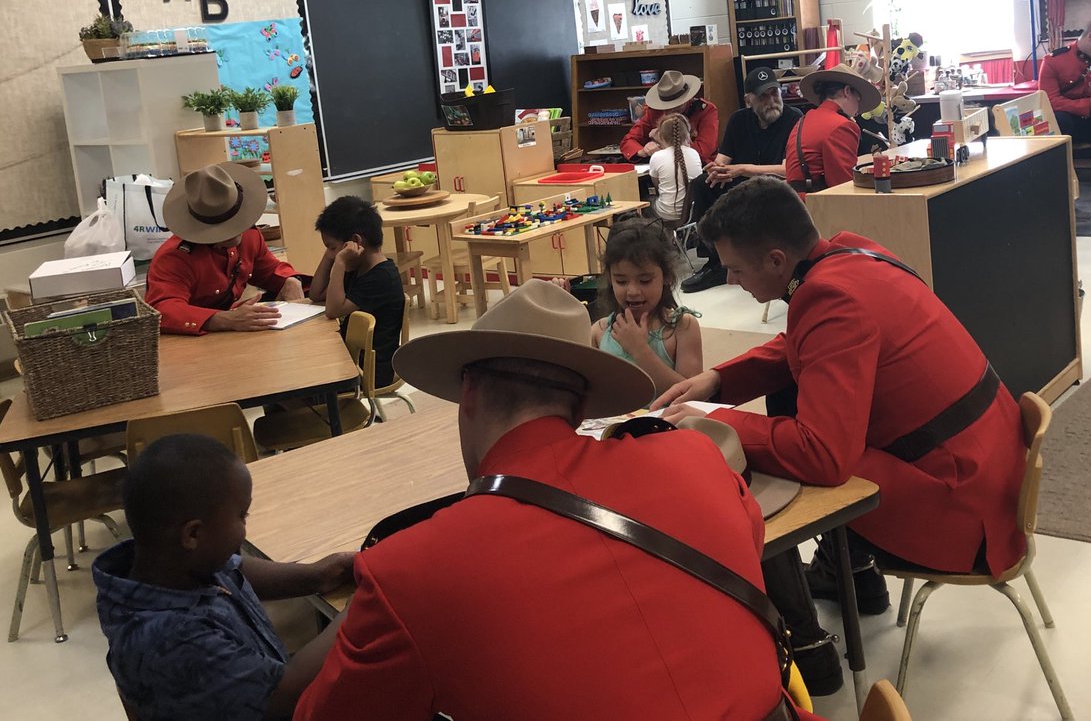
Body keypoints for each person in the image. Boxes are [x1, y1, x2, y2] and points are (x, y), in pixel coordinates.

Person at [295, 280, 812, 721]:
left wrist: (374, 609)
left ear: (468, 393)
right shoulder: (696, 457)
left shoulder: (408, 571)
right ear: (582, 404)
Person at [654, 177, 1027, 693]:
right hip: (992, 467)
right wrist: (720, 380)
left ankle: (805, 640)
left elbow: (824, 456)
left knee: (754, 462)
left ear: (778, 261)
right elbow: (802, 349)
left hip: (965, 512)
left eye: (736, 268)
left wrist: (716, 421)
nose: (733, 281)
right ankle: (850, 571)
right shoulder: (855, 253)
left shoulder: (828, 299)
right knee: (784, 408)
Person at [93, 434, 355, 721]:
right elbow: (285, 697)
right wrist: (360, 608)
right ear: (193, 534)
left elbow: (234, 569)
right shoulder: (172, 640)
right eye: (242, 516)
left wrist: (313, 576)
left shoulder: (168, 562)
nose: (245, 527)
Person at [147, 162, 305, 334]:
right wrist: (222, 320)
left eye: (236, 223)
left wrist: (289, 280)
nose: (234, 231)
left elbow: (268, 270)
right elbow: (162, 309)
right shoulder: (174, 257)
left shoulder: (250, 235)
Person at [682, 67, 801, 293]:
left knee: (744, 189)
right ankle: (716, 261)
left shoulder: (794, 119)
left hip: (775, 187)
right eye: (763, 96)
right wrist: (716, 170)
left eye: (774, 93)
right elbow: (723, 160)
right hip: (743, 185)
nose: (771, 100)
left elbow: (789, 170)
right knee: (703, 183)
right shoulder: (738, 120)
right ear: (749, 100)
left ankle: (749, 258)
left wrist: (742, 169)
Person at [590, 218, 703, 396]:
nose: (633, 291)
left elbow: (692, 396)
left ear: (666, 277)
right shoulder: (599, 331)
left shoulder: (682, 328)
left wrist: (640, 350)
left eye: (645, 280)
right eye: (621, 281)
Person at [310, 196, 406, 386]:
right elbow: (316, 293)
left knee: (288, 394)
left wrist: (339, 262)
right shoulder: (357, 267)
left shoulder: (381, 277)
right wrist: (331, 254)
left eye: (332, 247)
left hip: (368, 373)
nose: (331, 253)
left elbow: (333, 310)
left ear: (355, 242)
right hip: (350, 363)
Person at [1039, 17, 1091, 188]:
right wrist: (1086, 106)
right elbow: (1049, 101)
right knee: (1059, 119)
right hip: (1070, 119)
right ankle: (1063, 172)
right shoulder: (1053, 61)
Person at [784, 65, 880, 199]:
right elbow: (843, 187)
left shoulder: (804, 120)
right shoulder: (842, 125)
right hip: (819, 208)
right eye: (858, 98)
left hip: (796, 205)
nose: (858, 107)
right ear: (847, 91)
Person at [621, 70, 720, 164]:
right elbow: (628, 141)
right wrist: (642, 151)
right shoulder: (655, 111)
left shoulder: (705, 111)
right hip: (663, 165)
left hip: (697, 166)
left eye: (675, 105)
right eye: (666, 106)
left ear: (687, 99)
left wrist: (662, 142)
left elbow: (703, 150)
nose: (669, 110)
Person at [647, 112, 703, 225]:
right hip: (691, 214)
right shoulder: (694, 154)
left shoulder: (657, 157)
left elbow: (657, 187)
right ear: (687, 134)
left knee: (646, 200)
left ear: (661, 136)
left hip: (665, 214)